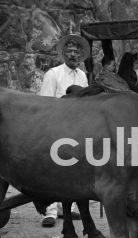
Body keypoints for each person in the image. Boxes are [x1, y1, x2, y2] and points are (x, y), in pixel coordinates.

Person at [38, 34, 89, 227]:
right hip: (57, 128)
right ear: (63, 54)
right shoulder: (53, 74)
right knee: (54, 171)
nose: (74, 55)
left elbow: (86, 104)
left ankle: (70, 208)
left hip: (77, 129)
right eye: (70, 51)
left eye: (77, 51)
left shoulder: (83, 76)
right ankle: (50, 211)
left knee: (74, 171)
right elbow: (45, 104)